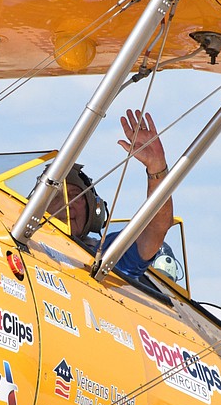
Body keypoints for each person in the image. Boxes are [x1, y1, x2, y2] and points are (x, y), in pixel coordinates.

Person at [48, 108, 173, 279]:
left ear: (93, 212)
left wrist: (157, 167)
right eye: (55, 196)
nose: (66, 204)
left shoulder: (107, 254)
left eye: (74, 195)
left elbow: (156, 229)